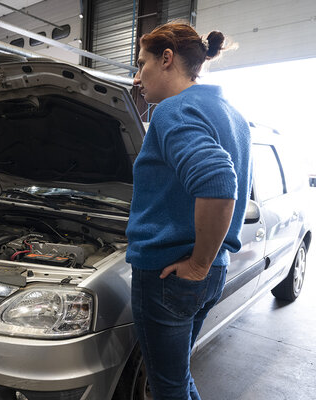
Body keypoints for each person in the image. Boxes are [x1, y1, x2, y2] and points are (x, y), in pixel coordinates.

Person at [125, 23, 252, 400]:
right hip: (212, 271)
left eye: (141, 64)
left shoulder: (172, 111)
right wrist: (203, 264)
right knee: (177, 379)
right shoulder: (230, 113)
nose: (136, 78)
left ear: (166, 59)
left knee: (166, 386)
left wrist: (196, 263)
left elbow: (218, 182)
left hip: (170, 273)